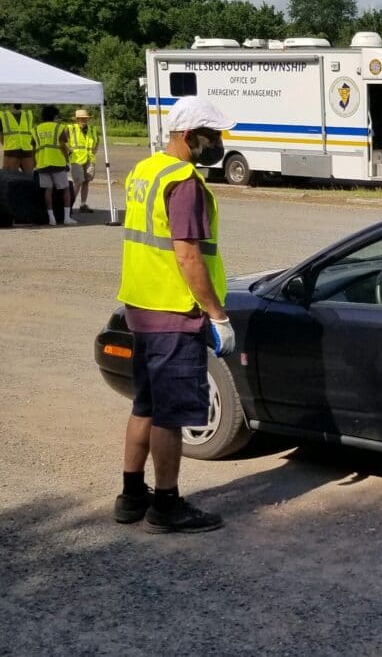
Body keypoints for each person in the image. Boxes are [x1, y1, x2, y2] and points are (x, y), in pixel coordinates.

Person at [114, 96, 236, 534]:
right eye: (213, 135)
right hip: (173, 312)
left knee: (144, 404)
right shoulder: (183, 181)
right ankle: (165, 505)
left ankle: (131, 496)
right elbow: (187, 255)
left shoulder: (146, 170)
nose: (219, 143)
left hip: (141, 308)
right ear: (189, 137)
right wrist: (216, 313)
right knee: (169, 412)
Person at [35, 105, 73, 225]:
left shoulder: (36, 129)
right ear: (54, 116)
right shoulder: (60, 127)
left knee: (48, 190)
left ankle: (51, 218)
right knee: (65, 189)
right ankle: (67, 218)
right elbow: (62, 145)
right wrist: (67, 160)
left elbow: (33, 147)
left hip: (42, 163)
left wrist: (36, 162)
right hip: (57, 163)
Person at [68, 109, 99, 213]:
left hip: (89, 158)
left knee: (86, 182)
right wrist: (69, 151)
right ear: (77, 119)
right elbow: (62, 141)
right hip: (76, 159)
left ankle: (83, 204)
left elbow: (97, 142)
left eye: (85, 118)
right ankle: (70, 205)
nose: (84, 120)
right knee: (77, 182)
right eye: (81, 118)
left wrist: (94, 152)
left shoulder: (93, 129)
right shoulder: (70, 128)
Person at [1, 103, 36, 173]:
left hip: (27, 151)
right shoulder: (2, 116)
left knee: (29, 178)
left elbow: (32, 133)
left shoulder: (28, 114)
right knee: (10, 178)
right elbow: (1, 136)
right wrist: (8, 145)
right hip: (11, 151)